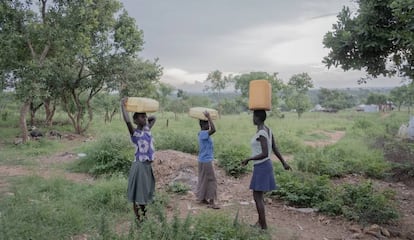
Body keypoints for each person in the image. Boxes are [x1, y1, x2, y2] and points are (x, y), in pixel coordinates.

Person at [241, 110, 291, 230]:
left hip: (262, 166)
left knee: (257, 196)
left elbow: (264, 153)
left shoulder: (262, 133)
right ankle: (260, 222)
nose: (252, 119)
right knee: (259, 196)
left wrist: (249, 158)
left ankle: (263, 227)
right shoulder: (268, 130)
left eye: (253, 116)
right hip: (264, 165)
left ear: (258, 118)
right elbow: (274, 148)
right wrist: (284, 163)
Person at [121, 98, 157, 222]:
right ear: (135, 120)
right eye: (141, 117)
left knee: (144, 194)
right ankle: (140, 219)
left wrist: (144, 112)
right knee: (139, 196)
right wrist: (123, 106)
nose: (144, 118)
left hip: (147, 167)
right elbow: (127, 121)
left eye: (144, 116)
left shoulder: (147, 129)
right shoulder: (135, 134)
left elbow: (154, 118)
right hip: (140, 166)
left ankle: (143, 218)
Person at [196, 111, 220, 209]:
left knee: (204, 179)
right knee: (212, 180)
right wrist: (209, 117)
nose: (209, 125)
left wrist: (208, 118)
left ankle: (203, 198)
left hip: (202, 160)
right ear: (203, 125)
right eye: (207, 123)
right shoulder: (203, 134)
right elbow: (214, 129)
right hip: (206, 161)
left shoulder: (202, 134)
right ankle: (211, 201)